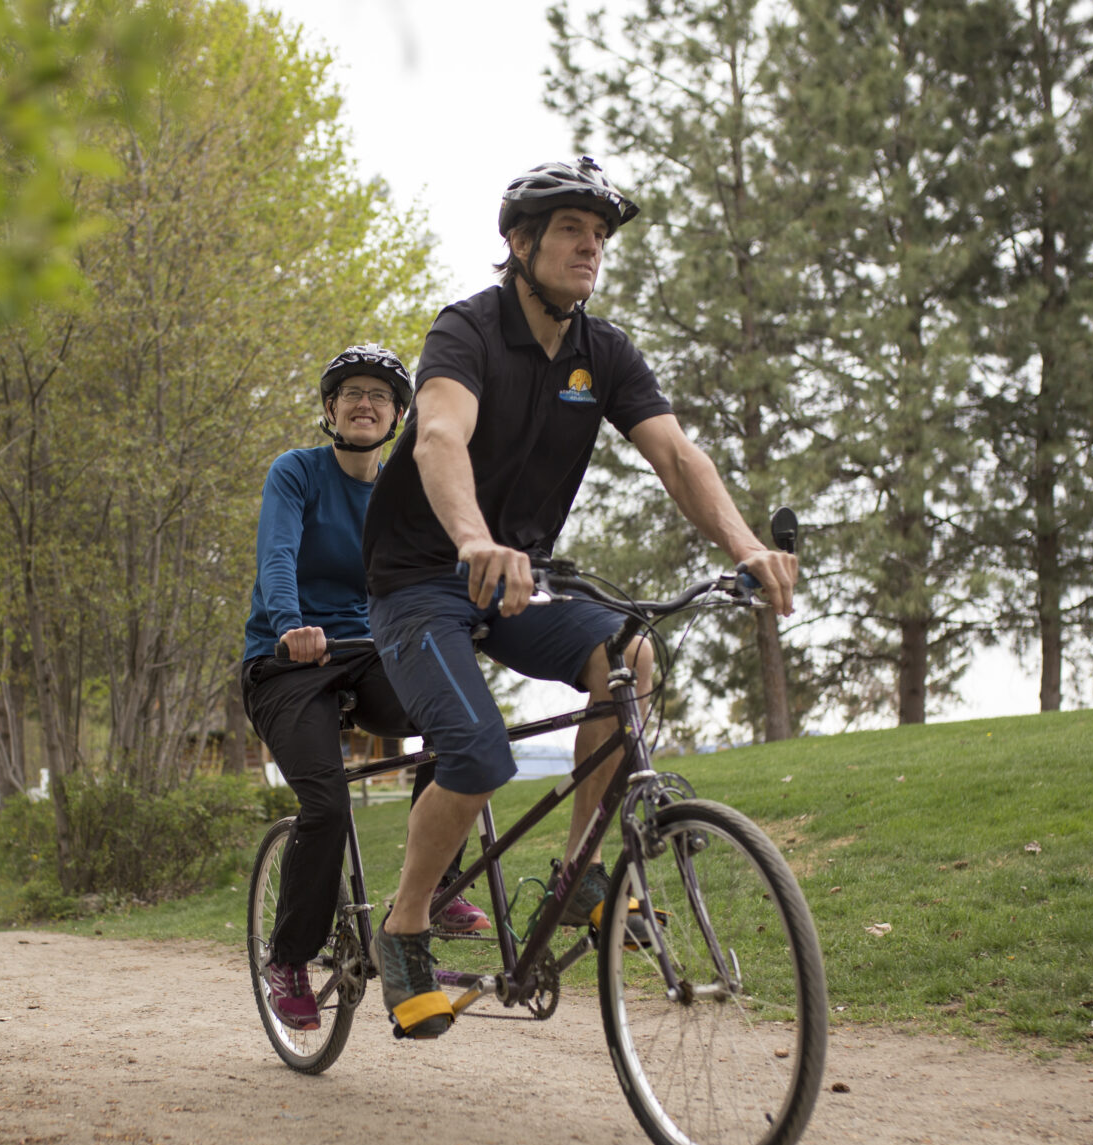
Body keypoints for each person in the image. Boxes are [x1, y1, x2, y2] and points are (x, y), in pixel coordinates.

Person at [360, 156, 798, 1040]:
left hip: (521, 579)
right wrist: (474, 536)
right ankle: (405, 925)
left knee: (632, 656)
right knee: (478, 756)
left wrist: (747, 545)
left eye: (599, 237)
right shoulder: (466, 331)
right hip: (421, 578)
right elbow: (440, 434)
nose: (591, 248)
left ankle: (577, 878)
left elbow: (677, 456)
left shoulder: (604, 352)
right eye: (572, 231)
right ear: (519, 243)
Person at [241, 343, 488, 1033]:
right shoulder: (296, 473)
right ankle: (288, 957)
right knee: (324, 802)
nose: (364, 404)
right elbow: (277, 555)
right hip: (288, 662)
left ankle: (433, 888)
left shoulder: (403, 489)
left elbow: (434, 570)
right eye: (350, 393)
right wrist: (291, 623)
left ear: (400, 416)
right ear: (329, 409)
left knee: (459, 720)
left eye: (380, 396)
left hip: (371, 651)